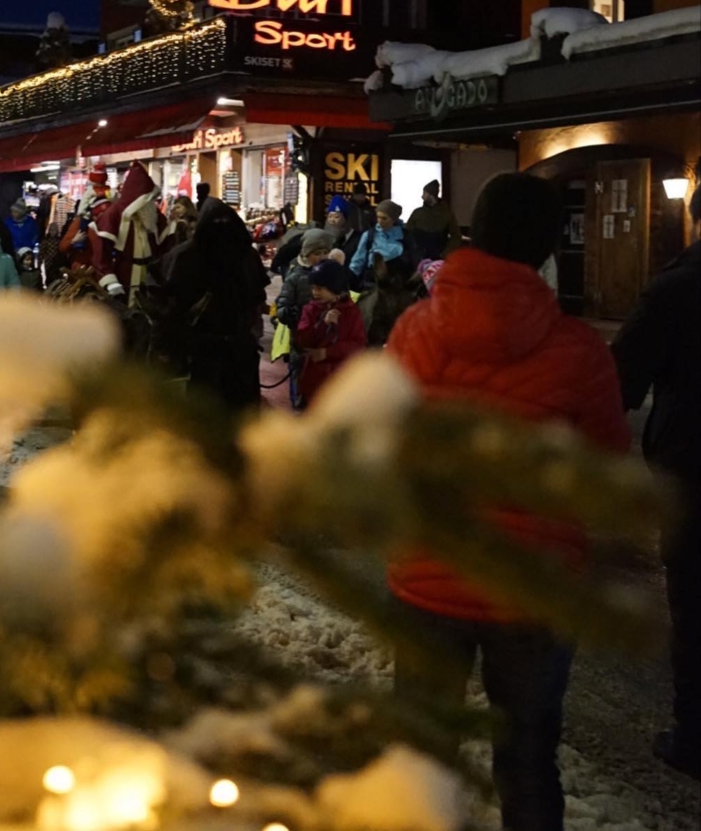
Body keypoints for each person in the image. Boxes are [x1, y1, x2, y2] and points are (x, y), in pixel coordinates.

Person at [386, 172, 630, 831]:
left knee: (421, 756)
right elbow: (608, 471)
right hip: (532, 586)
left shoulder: (414, 330)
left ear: (474, 234)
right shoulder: (578, 350)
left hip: (427, 570)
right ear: (548, 245)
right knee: (526, 762)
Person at [611, 182, 701, 779]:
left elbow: (622, 377)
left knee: (696, 601)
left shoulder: (678, 289)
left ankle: (696, 735)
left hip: (693, 463)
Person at [158, 196, 269, 411]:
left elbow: (169, 306)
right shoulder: (245, 256)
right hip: (217, 350)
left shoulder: (187, 256)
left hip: (213, 350)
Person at [89, 161, 165, 305]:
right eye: (147, 200)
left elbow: (167, 245)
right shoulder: (113, 215)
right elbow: (100, 253)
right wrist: (110, 281)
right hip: (124, 275)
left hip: (151, 276)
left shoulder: (153, 215)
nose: (151, 204)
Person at [275, 228, 333, 409]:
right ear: (306, 254)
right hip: (301, 346)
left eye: (325, 253)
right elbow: (282, 307)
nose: (322, 257)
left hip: (326, 345)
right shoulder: (295, 278)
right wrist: (294, 315)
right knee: (301, 390)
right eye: (317, 253)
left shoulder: (333, 275)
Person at [294, 259, 365, 404]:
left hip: (341, 382)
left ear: (334, 287)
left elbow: (358, 345)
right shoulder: (310, 310)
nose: (315, 293)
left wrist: (328, 352)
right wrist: (322, 324)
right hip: (315, 383)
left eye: (320, 288)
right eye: (313, 288)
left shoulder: (351, 312)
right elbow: (303, 339)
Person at [405, 179, 462, 262]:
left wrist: (444, 253)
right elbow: (408, 232)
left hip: (438, 257)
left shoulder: (446, 214)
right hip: (418, 257)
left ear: (431, 195)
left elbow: (456, 236)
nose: (422, 196)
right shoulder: (417, 213)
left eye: (425, 193)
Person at [350, 199, 405, 283]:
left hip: (396, 282)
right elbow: (358, 260)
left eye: (384, 218)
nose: (380, 221)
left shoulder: (404, 236)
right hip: (372, 281)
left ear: (393, 219)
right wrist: (350, 279)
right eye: (378, 217)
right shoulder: (369, 235)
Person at [325, 196, 360, 266]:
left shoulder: (358, 239)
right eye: (330, 216)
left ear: (346, 219)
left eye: (336, 217)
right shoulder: (325, 239)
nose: (332, 220)